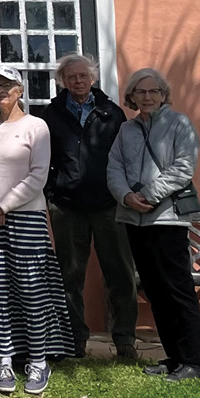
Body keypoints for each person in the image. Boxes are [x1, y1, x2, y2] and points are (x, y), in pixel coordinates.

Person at [0, 66, 71, 395]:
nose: (1, 91)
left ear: (20, 89)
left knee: (32, 292)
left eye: (7, 85)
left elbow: (38, 175)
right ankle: (4, 357)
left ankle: (37, 360)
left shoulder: (35, 126)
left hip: (24, 219)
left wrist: (4, 205)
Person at [107, 68, 200, 382]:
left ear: (163, 95)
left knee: (177, 290)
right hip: (135, 220)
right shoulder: (126, 130)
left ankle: (193, 360)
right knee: (155, 291)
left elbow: (183, 168)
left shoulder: (180, 124)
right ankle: (174, 356)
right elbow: (114, 166)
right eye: (141, 92)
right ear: (132, 97)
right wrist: (125, 196)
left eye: (153, 92)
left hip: (168, 219)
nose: (147, 97)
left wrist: (148, 195)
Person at [40, 53, 137, 360]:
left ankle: (125, 339)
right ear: (62, 81)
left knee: (120, 272)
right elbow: (44, 159)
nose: (78, 81)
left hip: (109, 204)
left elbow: (124, 158)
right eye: (71, 77)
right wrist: (51, 192)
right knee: (69, 275)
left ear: (93, 78)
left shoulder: (111, 112)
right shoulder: (51, 114)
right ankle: (74, 339)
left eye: (83, 76)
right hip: (67, 206)